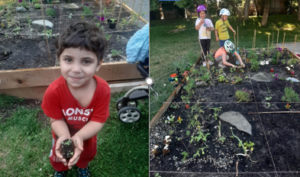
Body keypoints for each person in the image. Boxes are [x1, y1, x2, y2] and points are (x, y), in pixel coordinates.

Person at [41, 21, 110, 177]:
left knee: (85, 155)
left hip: (87, 137)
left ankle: (82, 167)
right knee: (59, 156)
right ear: (59, 59)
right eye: (68, 60)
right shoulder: (54, 91)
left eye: (86, 61)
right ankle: (60, 170)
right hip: (61, 135)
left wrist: (79, 136)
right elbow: (55, 120)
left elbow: (98, 120)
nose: (76, 69)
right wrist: (65, 136)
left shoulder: (103, 90)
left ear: (98, 65)